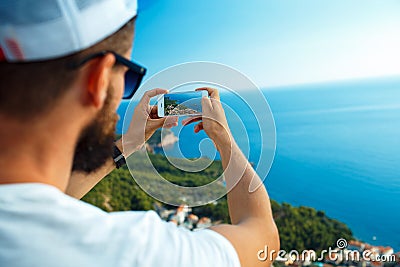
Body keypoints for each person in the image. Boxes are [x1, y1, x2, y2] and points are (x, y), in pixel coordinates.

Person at [0, 1, 279, 266]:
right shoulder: (134, 253)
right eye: (128, 77)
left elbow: (49, 197)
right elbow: (263, 238)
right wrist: (223, 138)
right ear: (98, 79)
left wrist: (132, 141)